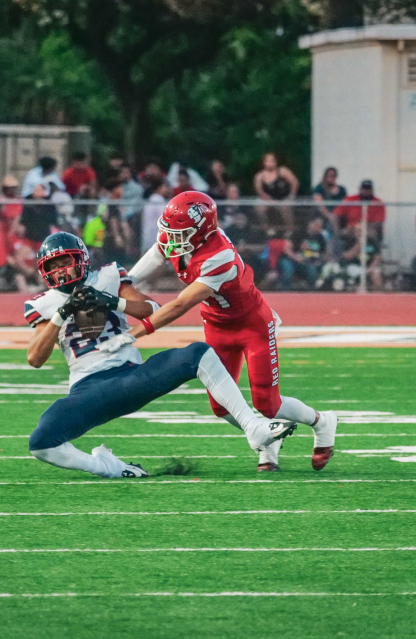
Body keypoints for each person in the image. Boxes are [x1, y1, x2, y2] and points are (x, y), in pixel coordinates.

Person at [23, 232, 295, 478]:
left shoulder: (107, 277)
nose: (60, 271)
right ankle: (108, 467)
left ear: (81, 260)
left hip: (131, 377)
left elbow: (152, 309)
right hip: (89, 389)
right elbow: (35, 358)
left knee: (198, 353)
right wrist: (62, 313)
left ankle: (254, 428)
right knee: (41, 442)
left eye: (65, 262)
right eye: (53, 266)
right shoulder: (43, 303)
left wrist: (112, 302)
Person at [115, 191, 340, 473]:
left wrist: (134, 333)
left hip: (251, 324)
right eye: (170, 230)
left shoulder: (218, 256)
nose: (171, 238)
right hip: (217, 325)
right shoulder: (180, 237)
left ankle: (322, 421)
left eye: (180, 233)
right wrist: (124, 282)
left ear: (201, 231)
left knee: (268, 404)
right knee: (221, 407)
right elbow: (153, 257)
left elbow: (181, 304)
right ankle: (267, 439)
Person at [140, 178, 169, 254]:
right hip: (155, 235)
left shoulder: (152, 199)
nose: (167, 189)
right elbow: (165, 217)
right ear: (159, 188)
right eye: (165, 187)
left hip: (150, 235)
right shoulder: (158, 200)